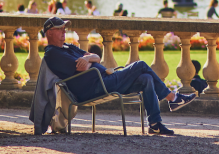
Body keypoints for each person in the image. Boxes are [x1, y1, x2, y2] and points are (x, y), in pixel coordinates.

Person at [41, 17, 195, 135]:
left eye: (64, 28)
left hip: (105, 81)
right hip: (93, 88)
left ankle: (155, 125)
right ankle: (173, 98)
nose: (63, 31)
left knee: (146, 79)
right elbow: (81, 68)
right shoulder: (53, 53)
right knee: (140, 65)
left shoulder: (68, 47)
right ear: (49, 33)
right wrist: (88, 61)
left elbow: (95, 56)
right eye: (60, 28)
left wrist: (87, 58)